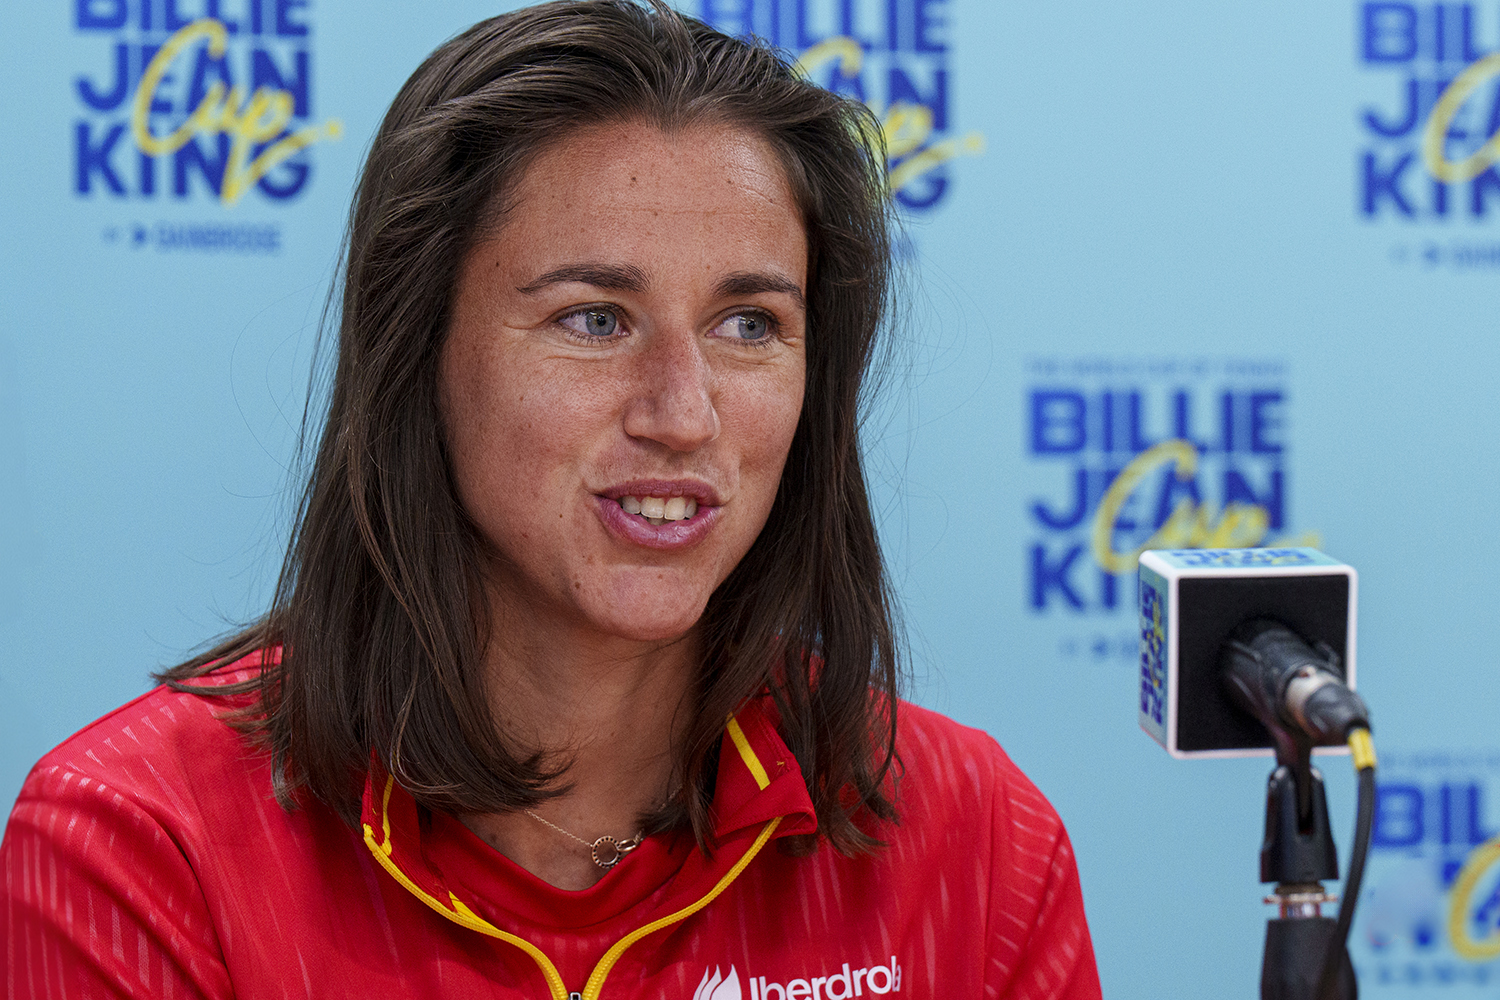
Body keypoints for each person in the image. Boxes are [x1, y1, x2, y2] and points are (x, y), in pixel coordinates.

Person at [0, 2, 1101, 996]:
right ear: (418, 349)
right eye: (594, 319)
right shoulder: (142, 843)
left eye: (749, 325)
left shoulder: (980, 842)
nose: (684, 413)